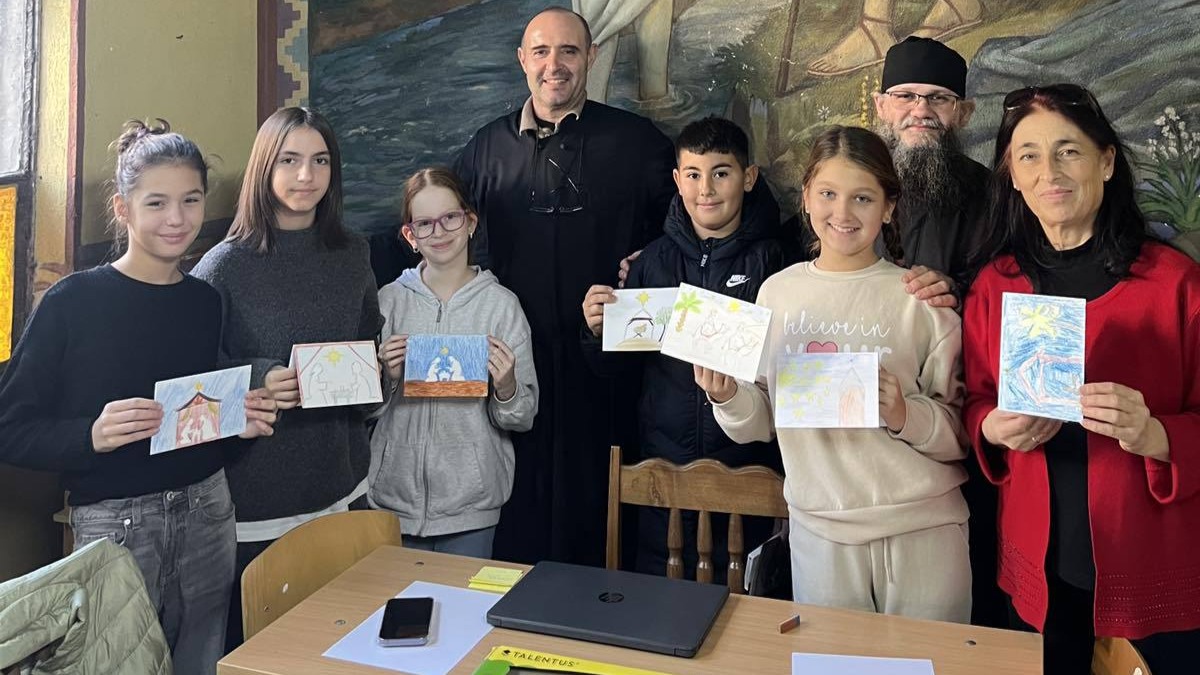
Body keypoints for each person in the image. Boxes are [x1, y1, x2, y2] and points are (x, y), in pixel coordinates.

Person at [0, 120, 276, 675]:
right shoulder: (72, 302)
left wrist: (238, 424)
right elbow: (11, 428)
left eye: (191, 200)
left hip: (207, 511)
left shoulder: (204, 301)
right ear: (123, 209)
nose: (177, 219)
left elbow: (196, 421)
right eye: (157, 203)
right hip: (115, 527)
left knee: (202, 661)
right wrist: (90, 435)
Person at [963, 84, 1200, 675]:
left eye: (1068, 151)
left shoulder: (1175, 284)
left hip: (1151, 563)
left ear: (1107, 161)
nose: (1050, 172)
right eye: (1029, 156)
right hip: (1040, 561)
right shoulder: (996, 286)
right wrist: (992, 427)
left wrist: (1156, 435)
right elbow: (976, 401)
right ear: (1012, 176)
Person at [698, 125, 972, 623]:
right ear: (806, 197)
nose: (842, 213)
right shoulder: (777, 293)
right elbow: (763, 420)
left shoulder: (920, 299)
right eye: (828, 194)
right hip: (818, 531)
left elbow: (963, 433)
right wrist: (727, 396)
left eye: (862, 198)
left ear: (888, 207)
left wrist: (904, 413)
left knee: (934, 660)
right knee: (831, 658)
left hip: (925, 530)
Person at [454, 7, 676, 565]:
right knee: (516, 528)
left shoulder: (638, 143)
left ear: (591, 57)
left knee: (601, 525)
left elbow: (688, 225)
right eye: (542, 51)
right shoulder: (485, 149)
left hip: (605, 371)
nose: (554, 64)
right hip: (512, 371)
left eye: (569, 51)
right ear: (522, 60)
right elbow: (442, 232)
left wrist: (650, 261)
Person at [189, 107, 383, 649]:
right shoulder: (224, 265)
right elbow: (189, 379)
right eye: (290, 160)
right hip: (257, 502)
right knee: (265, 652)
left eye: (320, 161)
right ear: (264, 168)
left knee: (348, 648)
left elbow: (366, 345)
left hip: (343, 487)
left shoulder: (353, 253)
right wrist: (258, 376)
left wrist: (379, 373)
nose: (306, 176)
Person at [581, 116, 787, 579]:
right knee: (662, 597)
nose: (706, 189)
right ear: (677, 180)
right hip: (663, 470)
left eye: (721, 173)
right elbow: (618, 371)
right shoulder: (652, 261)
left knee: (745, 603)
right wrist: (597, 332)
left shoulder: (775, 263)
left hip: (748, 474)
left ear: (749, 177)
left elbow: (782, 369)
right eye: (693, 174)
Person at [872, 34, 1003, 627]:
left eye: (938, 98)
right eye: (905, 95)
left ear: (963, 113)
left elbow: (1013, 293)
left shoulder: (994, 196)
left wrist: (957, 294)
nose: (920, 110)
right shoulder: (853, 186)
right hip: (861, 432)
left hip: (956, 424)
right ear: (881, 105)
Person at [371, 167, 538, 558]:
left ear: (470, 223)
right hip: (392, 503)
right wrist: (386, 378)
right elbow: (363, 411)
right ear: (410, 236)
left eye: (450, 217)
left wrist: (507, 387)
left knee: (461, 598)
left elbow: (523, 417)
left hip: (472, 507)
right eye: (425, 223)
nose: (440, 232)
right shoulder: (388, 302)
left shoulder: (502, 307)